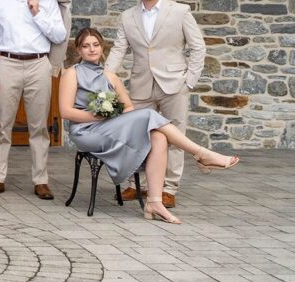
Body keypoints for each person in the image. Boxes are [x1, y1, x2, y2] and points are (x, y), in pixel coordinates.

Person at [61, 28, 238, 224]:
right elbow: (66, 112)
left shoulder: (110, 76)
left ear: (102, 48)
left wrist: (115, 117)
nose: (91, 49)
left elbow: (127, 107)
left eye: (95, 45)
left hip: (109, 127)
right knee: (150, 115)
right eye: (86, 46)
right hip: (85, 131)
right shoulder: (72, 73)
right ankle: (201, 154)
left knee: (159, 137)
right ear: (78, 50)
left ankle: (154, 203)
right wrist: (99, 117)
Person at [106, 0, 207, 209]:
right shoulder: (128, 16)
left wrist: (189, 81)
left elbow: (198, 47)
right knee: (135, 134)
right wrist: (107, 75)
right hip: (141, 84)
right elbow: (120, 48)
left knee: (175, 136)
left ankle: (168, 188)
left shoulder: (180, 11)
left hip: (174, 84)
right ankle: (134, 183)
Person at [0, 0, 71, 200]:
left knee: (39, 126)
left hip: (38, 64)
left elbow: (60, 35)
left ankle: (41, 180)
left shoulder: (48, 1)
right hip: (6, 63)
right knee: (1, 125)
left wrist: (37, 13)